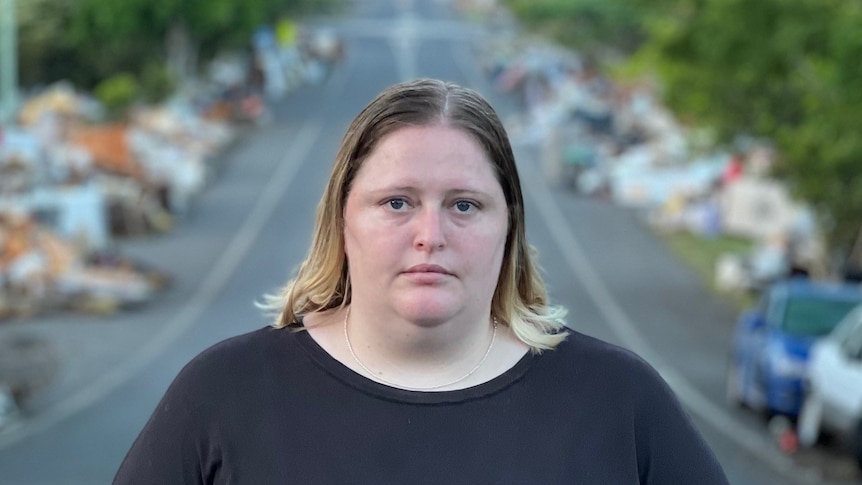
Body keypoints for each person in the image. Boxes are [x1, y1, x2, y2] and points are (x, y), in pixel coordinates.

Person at [114, 78, 729, 484]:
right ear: (341, 218)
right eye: (397, 202)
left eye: (464, 205)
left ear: (508, 227)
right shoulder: (224, 394)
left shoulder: (618, 401)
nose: (430, 234)